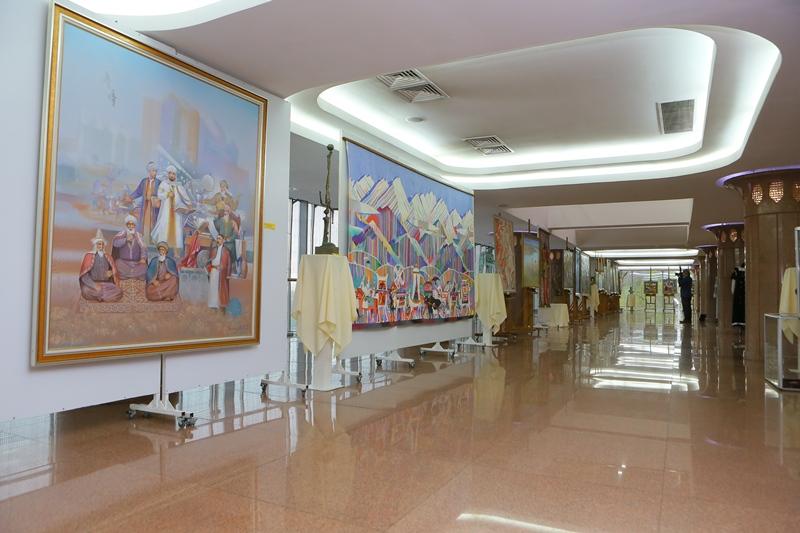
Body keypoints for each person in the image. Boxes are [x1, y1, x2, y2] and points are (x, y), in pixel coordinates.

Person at [151, 165, 193, 253]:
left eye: (173, 174)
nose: (172, 175)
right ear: (168, 174)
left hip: (176, 212)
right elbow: (159, 195)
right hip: (166, 211)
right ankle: (162, 249)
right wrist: (167, 194)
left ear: (175, 175)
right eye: (170, 173)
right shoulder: (164, 184)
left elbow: (185, 196)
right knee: (164, 227)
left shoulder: (179, 186)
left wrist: (189, 205)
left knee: (176, 230)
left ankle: (175, 251)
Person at [79, 229, 123, 302]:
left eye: (102, 244)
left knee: (118, 291)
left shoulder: (108, 257)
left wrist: (111, 273)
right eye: (99, 244)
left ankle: (100, 296)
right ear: (95, 245)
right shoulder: (88, 256)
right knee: (85, 291)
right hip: (92, 285)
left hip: (106, 284)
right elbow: (84, 276)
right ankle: (105, 296)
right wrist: (94, 285)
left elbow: (114, 271)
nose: (101, 246)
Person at [129, 161, 161, 243]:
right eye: (153, 171)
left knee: (153, 223)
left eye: (156, 171)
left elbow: (161, 195)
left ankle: (153, 240)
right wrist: (130, 197)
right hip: (145, 206)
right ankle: (143, 240)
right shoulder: (144, 181)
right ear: (149, 171)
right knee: (144, 223)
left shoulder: (158, 182)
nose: (155, 173)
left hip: (154, 208)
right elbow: (138, 192)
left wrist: (155, 198)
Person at [111, 215, 147, 280]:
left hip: (136, 263)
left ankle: (127, 275)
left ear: (134, 225)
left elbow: (143, 247)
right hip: (123, 262)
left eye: (132, 224)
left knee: (144, 267)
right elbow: (115, 244)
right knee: (117, 263)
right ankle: (134, 276)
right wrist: (125, 239)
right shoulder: (122, 234)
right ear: (126, 225)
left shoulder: (138, 236)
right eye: (129, 224)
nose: (130, 226)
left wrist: (143, 258)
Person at [206, 234, 231, 311]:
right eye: (217, 238)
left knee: (221, 289)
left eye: (219, 238)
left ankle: (221, 305)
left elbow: (229, 263)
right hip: (213, 271)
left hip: (221, 273)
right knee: (213, 288)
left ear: (223, 240)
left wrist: (228, 274)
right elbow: (209, 261)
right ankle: (213, 305)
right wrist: (208, 269)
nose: (218, 240)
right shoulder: (213, 250)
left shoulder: (226, 251)